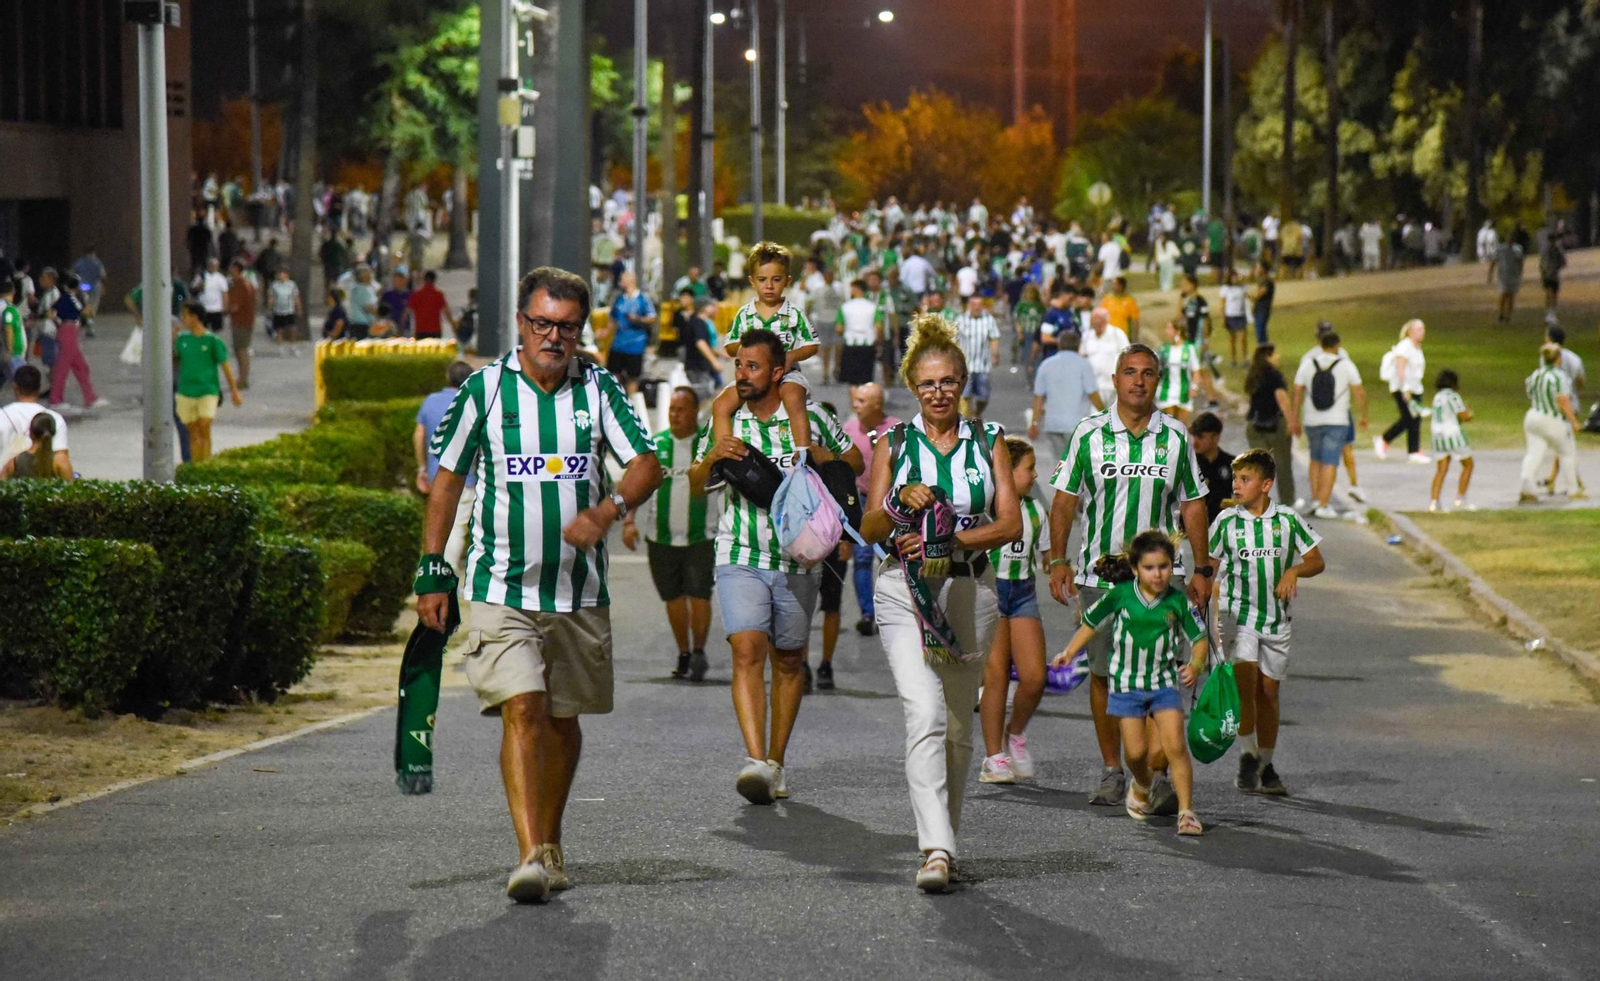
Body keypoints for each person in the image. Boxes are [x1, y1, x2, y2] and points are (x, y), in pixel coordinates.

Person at [417, 266, 663, 903]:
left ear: (582, 332)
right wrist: (433, 569)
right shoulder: (484, 392)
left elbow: (647, 462)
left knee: (562, 718)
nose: (554, 337)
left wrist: (608, 512)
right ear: (521, 324)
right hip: (500, 587)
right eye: (542, 324)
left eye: (568, 328)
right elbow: (446, 482)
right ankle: (528, 854)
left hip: (578, 593)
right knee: (522, 708)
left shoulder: (599, 389)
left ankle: (551, 838)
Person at [859, 313, 1021, 891]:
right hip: (904, 590)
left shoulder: (989, 440)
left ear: (962, 381)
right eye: (927, 384)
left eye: (948, 381)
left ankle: (945, 840)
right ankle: (934, 849)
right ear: (912, 387)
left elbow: (1010, 523)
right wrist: (901, 501)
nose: (938, 392)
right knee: (923, 714)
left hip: (968, 590)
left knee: (956, 726)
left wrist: (951, 538)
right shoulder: (893, 443)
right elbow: (871, 524)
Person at [689, 329, 860, 806]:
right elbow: (695, 483)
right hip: (739, 553)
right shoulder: (728, 422)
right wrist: (711, 459)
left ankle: (777, 760)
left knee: (788, 660)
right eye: (738, 365)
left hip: (797, 561)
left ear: (778, 372)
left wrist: (826, 459)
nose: (742, 375)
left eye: (753, 366)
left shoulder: (808, 415)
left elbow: (853, 459)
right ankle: (755, 759)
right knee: (746, 650)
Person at [1048, 344, 1212, 810]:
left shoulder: (1176, 436)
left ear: (1157, 382)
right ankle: (1112, 769)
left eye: (1148, 374)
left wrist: (1200, 568)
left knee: (1160, 671)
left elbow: (1193, 504)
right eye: (1129, 373)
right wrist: (1059, 559)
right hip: (1102, 577)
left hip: (1162, 579)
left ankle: (1156, 772)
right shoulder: (1088, 434)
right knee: (1103, 675)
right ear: (1115, 380)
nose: (1138, 382)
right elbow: (1064, 501)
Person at [1050, 533, 1208, 836]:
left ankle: (1187, 812)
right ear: (1135, 569)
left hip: (1163, 684)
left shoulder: (1177, 601)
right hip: (1125, 685)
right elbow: (1090, 624)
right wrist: (1069, 653)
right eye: (1149, 567)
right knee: (1135, 755)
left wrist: (1195, 665)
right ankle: (1143, 783)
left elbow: (1199, 640)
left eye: (1164, 566)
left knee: (1175, 745)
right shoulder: (1121, 595)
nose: (1158, 574)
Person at [1208, 449, 1324, 798]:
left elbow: (1316, 560)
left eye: (1245, 479)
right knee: (1246, 687)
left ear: (1266, 484)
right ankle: (1247, 753)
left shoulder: (1288, 520)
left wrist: (1294, 570)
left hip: (1277, 619)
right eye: (1235, 479)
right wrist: (1203, 610)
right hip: (1238, 617)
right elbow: (1209, 569)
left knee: (1269, 692)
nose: (1237, 486)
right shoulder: (1226, 522)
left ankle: (1267, 762)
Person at [623, 387, 720, 682]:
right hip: (660, 536)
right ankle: (684, 652)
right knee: (673, 597)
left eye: (681, 409)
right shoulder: (656, 445)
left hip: (702, 534)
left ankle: (700, 649)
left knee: (699, 593)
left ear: (694, 411)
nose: (675, 415)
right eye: (672, 410)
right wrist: (629, 520)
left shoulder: (710, 445)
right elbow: (636, 483)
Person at [979, 436, 1050, 784]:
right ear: (1007, 470)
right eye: (1029, 468)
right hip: (990, 590)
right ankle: (994, 757)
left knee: (1035, 676)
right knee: (996, 676)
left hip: (1022, 592)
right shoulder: (987, 505)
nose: (1035, 476)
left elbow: (1050, 555)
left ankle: (1015, 733)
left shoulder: (1036, 508)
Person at [712, 242, 817, 453]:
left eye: (776, 280)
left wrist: (791, 356)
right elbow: (730, 345)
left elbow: (812, 345)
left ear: (787, 281)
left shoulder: (793, 313)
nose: (769, 286)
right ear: (752, 281)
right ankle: (723, 456)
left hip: (787, 375)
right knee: (721, 405)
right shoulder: (745, 314)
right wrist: (746, 350)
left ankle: (804, 454)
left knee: (794, 397)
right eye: (762, 280)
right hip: (752, 377)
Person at [1292, 332, 1367, 518]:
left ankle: (1316, 499)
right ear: (1337, 345)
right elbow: (1359, 392)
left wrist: (1294, 418)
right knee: (1330, 461)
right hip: (1337, 420)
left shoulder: (1308, 364)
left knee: (1315, 459)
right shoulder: (1346, 365)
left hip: (1311, 419)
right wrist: (1363, 415)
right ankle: (1324, 504)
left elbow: (1297, 391)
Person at [1028, 330, 1104, 490]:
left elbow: (1038, 398)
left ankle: (1064, 499)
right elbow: (1092, 394)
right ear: (1078, 346)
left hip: (1053, 424)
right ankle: (1078, 500)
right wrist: (1107, 415)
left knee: (1061, 463)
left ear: (1060, 345)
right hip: (1077, 425)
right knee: (1079, 464)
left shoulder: (1046, 365)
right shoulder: (1083, 364)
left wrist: (1034, 423)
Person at [173, 300, 242, 460]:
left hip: (207, 390)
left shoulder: (212, 341)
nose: (182, 319)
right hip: (186, 391)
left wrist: (234, 391)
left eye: (185, 316)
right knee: (193, 431)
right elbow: (174, 359)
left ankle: (206, 462)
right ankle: (196, 465)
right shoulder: (182, 339)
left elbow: (225, 367)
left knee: (204, 425)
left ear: (195, 317)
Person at [1519, 343, 1586, 503]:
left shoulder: (1536, 374)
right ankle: (1573, 490)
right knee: (1567, 453)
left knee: (1534, 454)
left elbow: (1530, 392)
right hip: (1552, 419)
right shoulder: (1559, 376)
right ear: (1558, 358)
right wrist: (1574, 421)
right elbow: (1563, 400)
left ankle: (1526, 488)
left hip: (1533, 416)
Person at [1242, 344, 1298, 508]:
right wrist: (1291, 421)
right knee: (1282, 464)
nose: (1278, 356)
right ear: (1268, 356)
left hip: (1255, 424)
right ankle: (1288, 500)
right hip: (1275, 424)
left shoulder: (1253, 375)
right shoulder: (1275, 376)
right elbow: (1282, 399)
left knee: (1258, 467)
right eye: (1274, 354)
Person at [0, 367, 72, 478]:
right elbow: (61, 457)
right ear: (39, 388)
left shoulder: (2, 415)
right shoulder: (55, 419)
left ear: (15, 387)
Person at [48, 275, 107, 409]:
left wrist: (58, 322)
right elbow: (86, 312)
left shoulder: (62, 297)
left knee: (81, 367)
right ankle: (55, 398)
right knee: (63, 368)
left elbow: (50, 312)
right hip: (70, 332)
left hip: (65, 331)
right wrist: (90, 303)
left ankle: (89, 397)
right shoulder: (73, 298)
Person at [1375, 319, 1430, 463]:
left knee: (1415, 419)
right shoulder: (1405, 347)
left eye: (1423, 329)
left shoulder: (1417, 347)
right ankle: (1385, 440)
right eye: (1419, 329)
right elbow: (1401, 368)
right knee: (1408, 418)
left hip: (1416, 388)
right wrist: (1405, 388)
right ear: (1410, 332)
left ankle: (1414, 450)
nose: (1422, 332)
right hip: (1402, 388)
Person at [1155, 317, 1217, 425]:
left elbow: (1196, 370)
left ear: (1178, 331)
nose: (1166, 331)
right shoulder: (1164, 349)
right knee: (1168, 424)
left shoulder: (1189, 349)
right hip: (1166, 391)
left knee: (1182, 425)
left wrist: (1194, 387)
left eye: (1169, 328)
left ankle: (1183, 442)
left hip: (1184, 391)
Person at [1428, 370, 1475, 512]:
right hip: (1453, 436)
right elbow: (1463, 416)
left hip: (1438, 436)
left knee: (1441, 469)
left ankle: (1434, 502)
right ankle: (1460, 499)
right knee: (1468, 465)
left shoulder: (1437, 397)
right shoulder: (1453, 396)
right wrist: (1469, 413)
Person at [951, 293, 1001, 419]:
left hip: (982, 365)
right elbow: (953, 339)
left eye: (979, 305)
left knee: (983, 396)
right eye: (973, 304)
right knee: (965, 395)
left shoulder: (988, 320)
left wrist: (995, 354)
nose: (976, 308)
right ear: (968, 305)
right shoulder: (960, 320)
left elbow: (994, 338)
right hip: (965, 366)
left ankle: (977, 412)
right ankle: (968, 421)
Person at [835, 278, 883, 387]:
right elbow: (879, 327)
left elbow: (839, 328)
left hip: (850, 344)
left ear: (855, 289)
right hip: (868, 344)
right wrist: (878, 342)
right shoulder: (873, 307)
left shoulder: (845, 307)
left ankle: (854, 401)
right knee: (866, 378)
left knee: (852, 381)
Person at [1079, 307, 1130, 409]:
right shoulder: (1087, 336)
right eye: (1094, 319)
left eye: (1099, 319)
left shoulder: (1117, 334)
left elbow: (1128, 358)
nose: (1096, 322)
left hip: (1113, 387)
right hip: (1094, 387)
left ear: (1106, 320)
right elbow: (1081, 357)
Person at [1189, 411, 1233, 524]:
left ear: (1215, 437)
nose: (1195, 443)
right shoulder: (1187, 464)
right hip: (1190, 529)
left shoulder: (1232, 464)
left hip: (1222, 527)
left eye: (1200, 437)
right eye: (1194, 437)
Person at [1, 411, 71, 480]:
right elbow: (71, 487)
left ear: (31, 433)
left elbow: (2, 481)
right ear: (54, 433)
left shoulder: (16, 461)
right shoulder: (59, 460)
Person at [807, 267, 847, 381]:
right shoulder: (818, 288)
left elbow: (843, 304)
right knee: (825, 348)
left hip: (836, 320)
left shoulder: (839, 288)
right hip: (823, 320)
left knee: (838, 346)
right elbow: (810, 301)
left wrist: (842, 320)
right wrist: (809, 317)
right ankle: (825, 372)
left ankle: (837, 367)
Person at [680, 297, 724, 400]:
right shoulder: (698, 323)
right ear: (705, 308)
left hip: (700, 367)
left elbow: (706, 344)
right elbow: (700, 343)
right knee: (703, 396)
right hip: (697, 367)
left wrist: (720, 354)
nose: (714, 309)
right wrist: (714, 362)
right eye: (711, 306)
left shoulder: (699, 322)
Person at [407, 270, 455, 340]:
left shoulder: (417, 294)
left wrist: (401, 327)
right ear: (434, 280)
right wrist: (453, 326)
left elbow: (407, 312)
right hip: (435, 330)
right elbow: (446, 312)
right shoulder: (438, 295)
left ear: (424, 280)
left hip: (420, 330)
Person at [1490, 234, 1525, 324]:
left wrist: (1520, 273)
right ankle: (1501, 313)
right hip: (1503, 275)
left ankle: (1508, 316)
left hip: (1513, 275)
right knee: (1503, 295)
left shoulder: (1517, 249)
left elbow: (1520, 262)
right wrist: (1490, 273)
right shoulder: (1500, 249)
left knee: (1511, 296)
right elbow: (1494, 261)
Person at [1218, 268, 1249, 366]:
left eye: (1236, 276)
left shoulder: (1242, 288)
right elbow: (1222, 304)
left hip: (1240, 315)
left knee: (1243, 338)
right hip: (1230, 316)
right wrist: (1223, 318)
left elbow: (1246, 301)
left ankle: (1245, 359)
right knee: (1232, 339)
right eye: (1233, 277)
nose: (1235, 279)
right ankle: (1233, 359)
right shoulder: (1225, 289)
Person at [193, 257, 229, 333]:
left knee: (216, 330)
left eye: (214, 266)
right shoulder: (201, 276)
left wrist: (225, 306)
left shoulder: (221, 278)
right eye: (211, 265)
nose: (212, 267)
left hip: (216, 309)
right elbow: (193, 289)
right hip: (203, 308)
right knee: (203, 329)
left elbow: (225, 293)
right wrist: (200, 286)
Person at [1540, 223, 1566, 317]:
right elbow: (1563, 263)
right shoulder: (1557, 250)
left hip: (1548, 274)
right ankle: (1551, 312)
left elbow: (1541, 263)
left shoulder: (1545, 250)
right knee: (1553, 294)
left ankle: (1549, 312)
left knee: (1549, 294)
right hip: (1553, 274)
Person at [346, 265, 378, 340]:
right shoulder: (363, 290)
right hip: (363, 326)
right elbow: (368, 307)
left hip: (354, 324)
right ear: (364, 277)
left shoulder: (354, 288)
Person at [1249, 262, 1275, 347]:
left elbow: (1258, 295)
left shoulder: (1267, 282)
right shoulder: (1263, 281)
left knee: (1261, 334)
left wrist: (1248, 295)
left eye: (1258, 267)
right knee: (1261, 333)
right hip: (1259, 310)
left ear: (1263, 269)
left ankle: (1264, 353)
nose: (1257, 269)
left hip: (1262, 311)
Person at [380, 271, 413, 335]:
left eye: (399, 281)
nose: (397, 283)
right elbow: (382, 312)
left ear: (405, 280)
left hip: (406, 329)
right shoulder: (387, 295)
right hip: (389, 329)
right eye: (395, 281)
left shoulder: (410, 295)